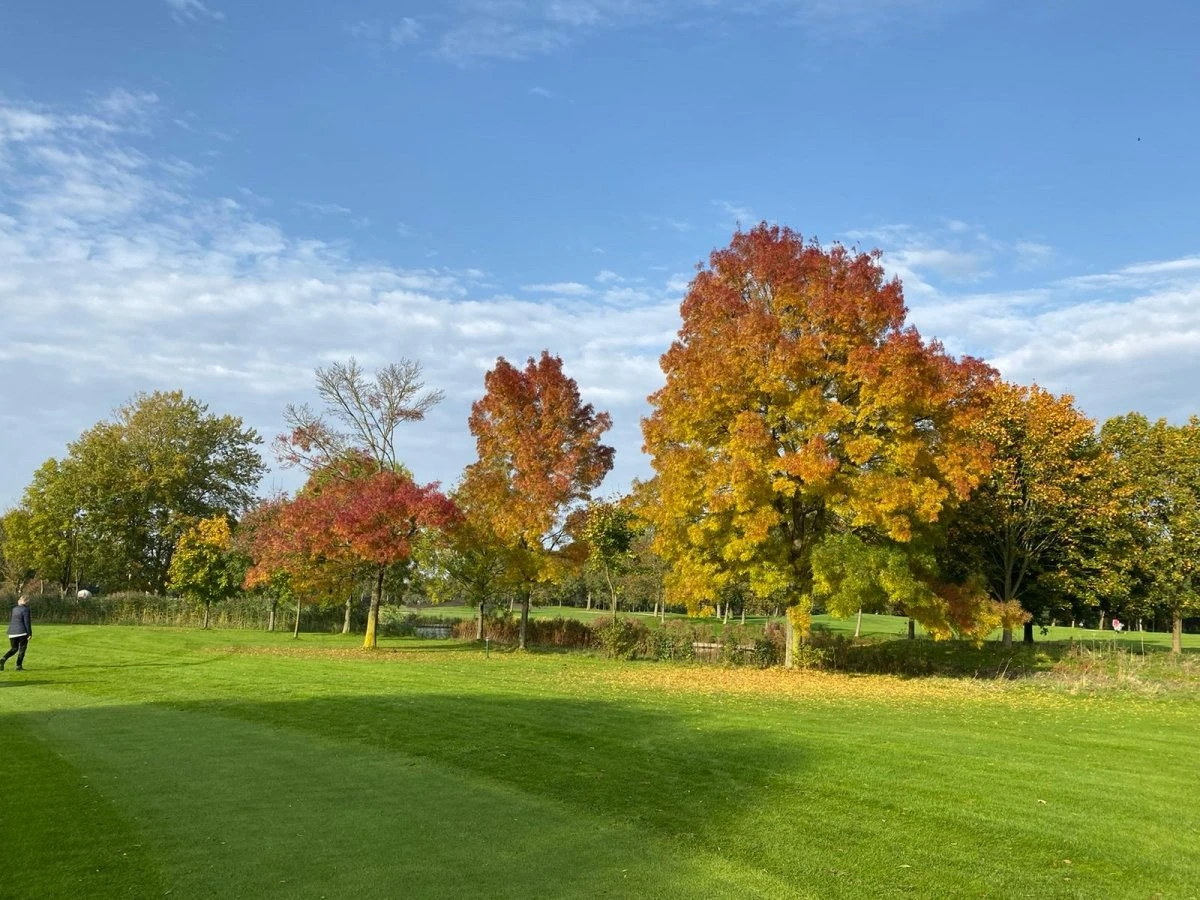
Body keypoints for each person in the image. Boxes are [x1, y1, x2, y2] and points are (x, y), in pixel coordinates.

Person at [1, 595, 32, 672]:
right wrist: (29, 633)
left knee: (14, 649)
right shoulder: (26, 609)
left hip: (12, 632)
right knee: (22, 649)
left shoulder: (14, 609)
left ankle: (2, 659)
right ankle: (18, 665)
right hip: (22, 632)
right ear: (26, 601)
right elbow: (27, 622)